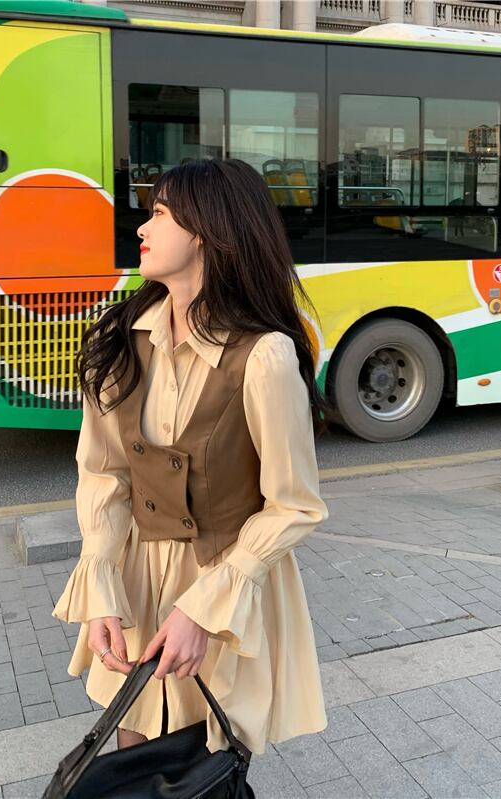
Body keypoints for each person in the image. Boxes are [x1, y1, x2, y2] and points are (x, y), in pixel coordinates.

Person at [51, 157, 330, 757]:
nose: (142, 228)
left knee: (204, 759)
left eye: (158, 213)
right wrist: (100, 585)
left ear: (205, 231)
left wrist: (204, 611)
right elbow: (104, 474)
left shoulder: (264, 356)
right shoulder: (119, 341)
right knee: (130, 746)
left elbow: (294, 506)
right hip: (136, 576)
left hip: (221, 582)